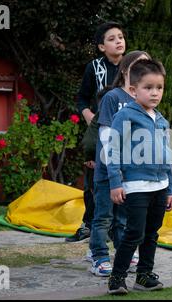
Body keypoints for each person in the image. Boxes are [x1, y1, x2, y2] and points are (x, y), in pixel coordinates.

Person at [106, 59, 172, 295]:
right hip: (136, 186)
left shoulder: (162, 120)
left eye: (159, 87)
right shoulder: (125, 116)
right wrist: (115, 183)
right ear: (134, 90)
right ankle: (117, 279)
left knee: (152, 233)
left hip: (160, 186)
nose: (155, 93)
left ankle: (144, 276)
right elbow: (112, 150)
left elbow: (168, 158)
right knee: (134, 232)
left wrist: (170, 189)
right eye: (148, 87)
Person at [89, 50, 151, 276]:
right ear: (125, 69)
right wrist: (114, 169)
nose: (144, 68)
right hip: (108, 172)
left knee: (124, 218)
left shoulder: (144, 100)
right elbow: (106, 136)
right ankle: (99, 256)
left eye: (147, 64)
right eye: (138, 64)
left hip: (131, 173)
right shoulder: (112, 97)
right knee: (103, 216)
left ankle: (123, 253)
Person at [66, 21, 126, 242]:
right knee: (94, 178)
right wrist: (89, 116)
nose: (118, 41)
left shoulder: (131, 67)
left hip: (125, 131)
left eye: (120, 37)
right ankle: (89, 225)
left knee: (123, 177)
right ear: (102, 47)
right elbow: (82, 97)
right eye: (112, 39)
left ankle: (117, 227)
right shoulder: (94, 67)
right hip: (100, 129)